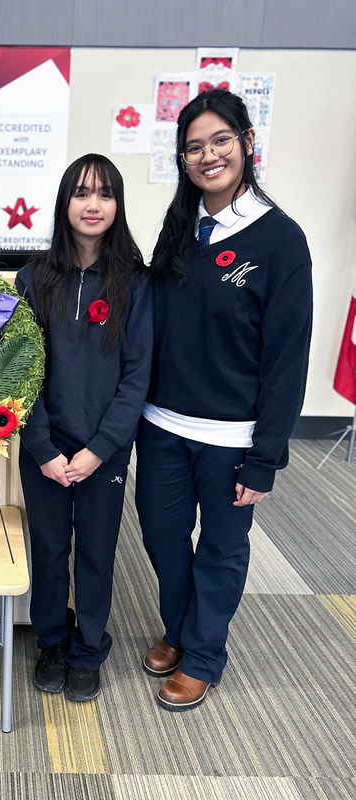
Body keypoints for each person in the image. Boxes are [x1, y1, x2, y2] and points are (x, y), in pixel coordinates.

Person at [135, 89, 312, 711]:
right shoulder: (181, 227)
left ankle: (203, 652)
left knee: (222, 548)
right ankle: (182, 628)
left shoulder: (279, 240)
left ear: (246, 145)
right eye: (194, 147)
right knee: (159, 533)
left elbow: (288, 356)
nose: (208, 156)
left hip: (233, 434)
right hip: (161, 424)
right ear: (182, 159)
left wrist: (266, 455)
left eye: (220, 142)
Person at [16, 154, 152, 701]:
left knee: (96, 550)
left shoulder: (135, 283)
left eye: (104, 193)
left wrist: (99, 450)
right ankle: (51, 639)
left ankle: (89, 645)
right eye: (81, 192)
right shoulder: (33, 278)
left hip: (106, 451)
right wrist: (43, 447)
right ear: (64, 202)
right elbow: (19, 371)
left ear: (117, 204)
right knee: (48, 548)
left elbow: (137, 378)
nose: (92, 205)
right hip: (45, 446)